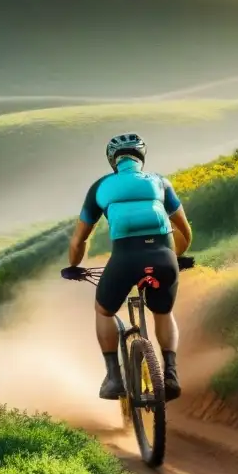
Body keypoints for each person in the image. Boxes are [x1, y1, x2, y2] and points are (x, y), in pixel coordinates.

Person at [61, 133, 192, 401]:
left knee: (104, 310)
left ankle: (113, 378)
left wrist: (74, 266)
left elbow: (79, 240)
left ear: (113, 160)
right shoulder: (160, 183)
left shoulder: (100, 187)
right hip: (164, 259)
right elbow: (185, 231)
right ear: (142, 158)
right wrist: (174, 256)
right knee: (163, 312)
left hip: (125, 259)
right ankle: (170, 374)